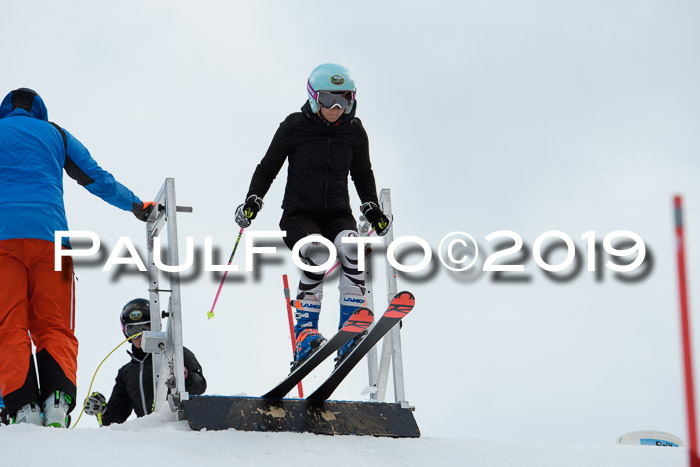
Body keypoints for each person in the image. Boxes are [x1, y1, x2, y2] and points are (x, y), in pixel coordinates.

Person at [0, 88, 155, 427]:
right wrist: (135, 205)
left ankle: (21, 406)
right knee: (55, 326)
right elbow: (96, 177)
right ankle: (57, 401)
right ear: (38, 111)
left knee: (8, 325)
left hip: (3, 241)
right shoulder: (56, 134)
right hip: (52, 241)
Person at [234, 63, 392, 371]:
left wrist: (371, 207)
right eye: (327, 100)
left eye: (343, 101)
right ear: (312, 97)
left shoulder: (354, 131)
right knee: (317, 253)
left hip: (337, 213)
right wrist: (253, 199)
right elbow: (269, 166)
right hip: (298, 215)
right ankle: (305, 333)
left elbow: (362, 173)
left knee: (353, 248)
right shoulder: (295, 126)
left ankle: (350, 329)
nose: (335, 108)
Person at [83, 299, 206, 426]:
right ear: (126, 333)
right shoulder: (126, 373)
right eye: (133, 331)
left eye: (145, 329)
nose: (140, 336)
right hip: (147, 435)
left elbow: (200, 386)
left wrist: (185, 375)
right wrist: (102, 411)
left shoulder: (175, 353)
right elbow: (116, 417)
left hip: (176, 430)